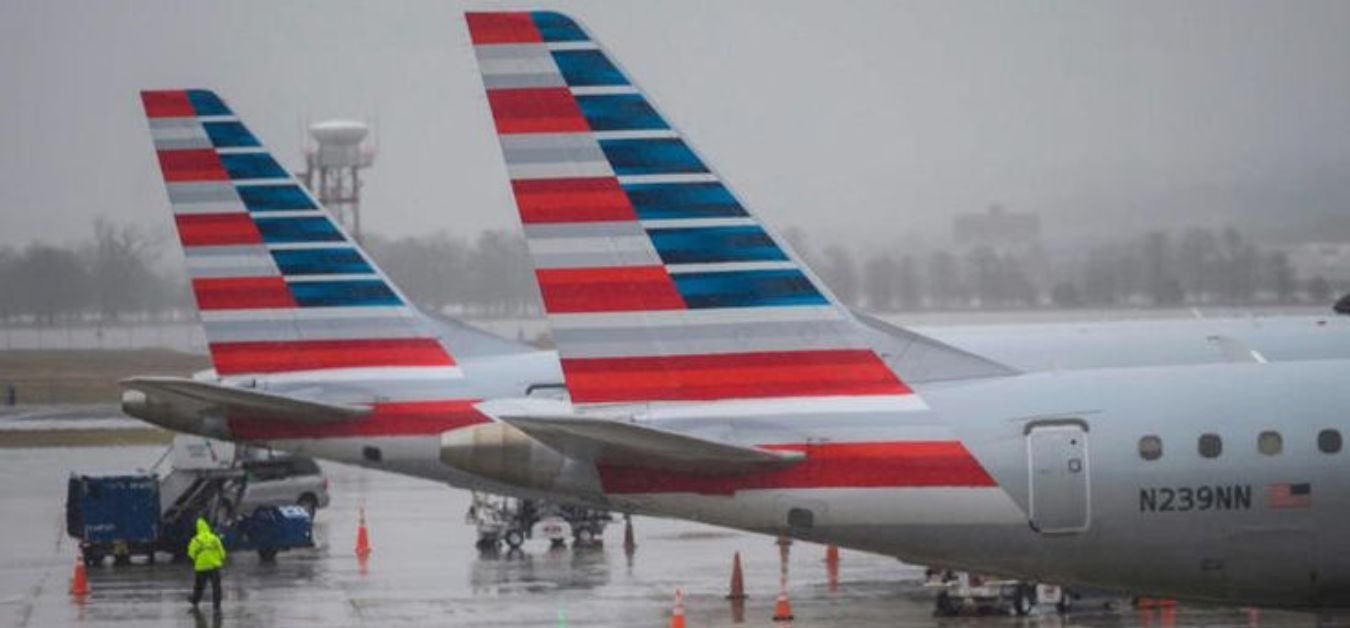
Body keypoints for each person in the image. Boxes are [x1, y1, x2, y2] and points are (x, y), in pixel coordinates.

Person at [187, 517, 226, 610]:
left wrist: (196, 560)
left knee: (199, 586)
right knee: (216, 586)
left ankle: (195, 600)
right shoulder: (214, 538)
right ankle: (216, 605)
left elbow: (191, 554)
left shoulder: (196, 540)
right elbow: (222, 552)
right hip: (214, 566)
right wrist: (220, 560)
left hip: (201, 567)